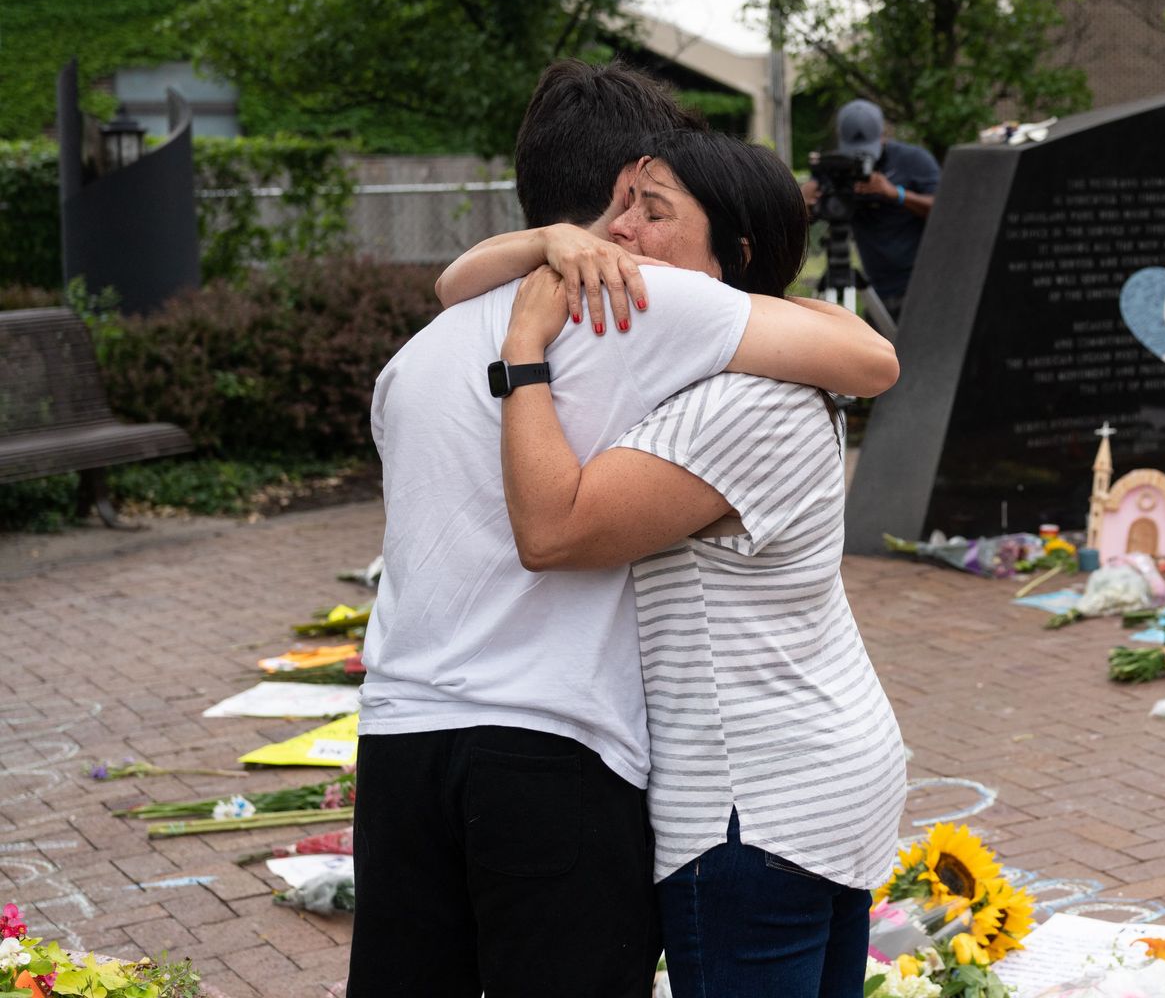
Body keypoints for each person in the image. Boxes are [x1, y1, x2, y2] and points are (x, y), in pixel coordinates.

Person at [350, 60, 897, 998]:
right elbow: (872, 358)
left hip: (398, 737)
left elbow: (451, 282)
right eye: (637, 202)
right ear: (613, 197)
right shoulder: (642, 305)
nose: (639, 228)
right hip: (554, 744)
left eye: (660, 206)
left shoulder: (415, 354)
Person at [492, 128, 907, 997]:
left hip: (753, 807)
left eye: (655, 212)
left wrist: (521, 357)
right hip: (816, 771)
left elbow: (554, 532)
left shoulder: (736, 403)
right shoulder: (772, 362)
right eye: (625, 207)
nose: (620, 232)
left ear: (735, 255)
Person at [802, 98, 940, 320]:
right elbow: (810, 217)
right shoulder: (833, 170)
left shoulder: (914, 160)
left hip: (920, 288)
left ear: (883, 134)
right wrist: (800, 204)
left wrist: (895, 193)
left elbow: (944, 211)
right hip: (875, 288)